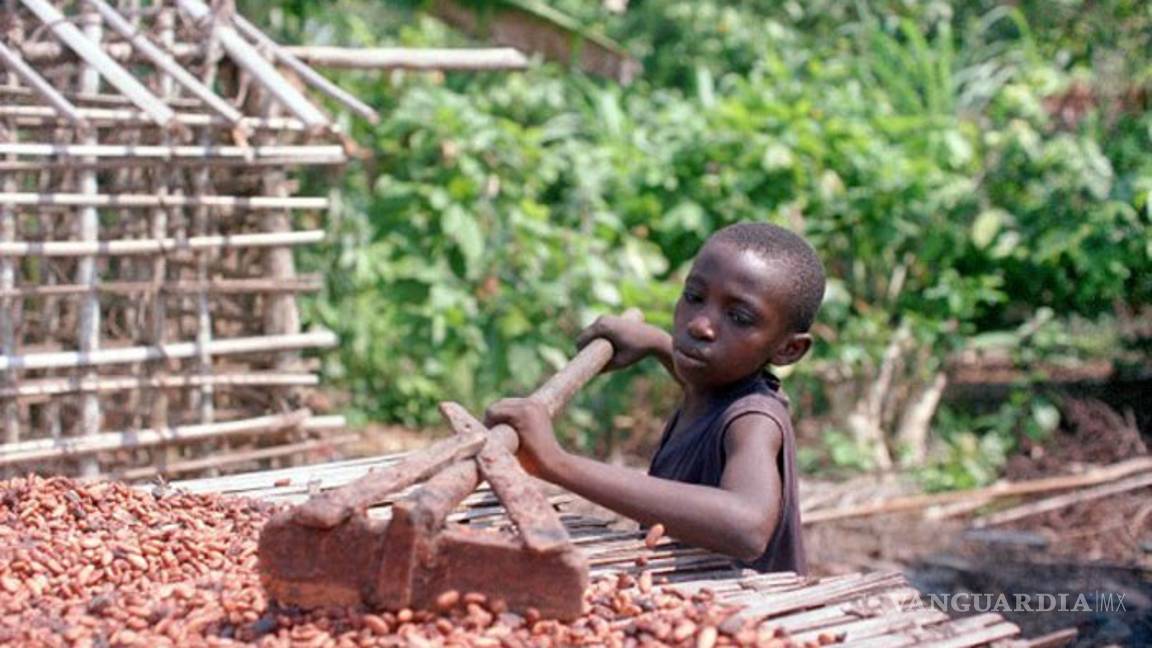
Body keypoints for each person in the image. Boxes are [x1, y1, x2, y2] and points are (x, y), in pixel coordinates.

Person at [484, 222, 825, 573]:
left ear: (788, 349)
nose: (700, 326)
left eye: (738, 317)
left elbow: (747, 527)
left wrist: (555, 463)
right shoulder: (714, 385)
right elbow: (704, 386)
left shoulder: (754, 420)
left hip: (741, 612)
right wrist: (655, 343)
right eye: (694, 297)